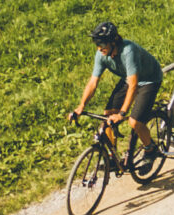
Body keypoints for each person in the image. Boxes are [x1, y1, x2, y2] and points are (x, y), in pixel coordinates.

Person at [69, 21, 164, 167]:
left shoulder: (128, 51)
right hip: (128, 78)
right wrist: (81, 106)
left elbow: (133, 86)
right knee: (107, 115)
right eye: (97, 44)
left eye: (102, 44)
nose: (99, 48)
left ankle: (151, 150)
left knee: (134, 122)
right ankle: (112, 158)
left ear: (113, 42)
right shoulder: (101, 54)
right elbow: (93, 83)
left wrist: (122, 113)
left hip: (149, 80)